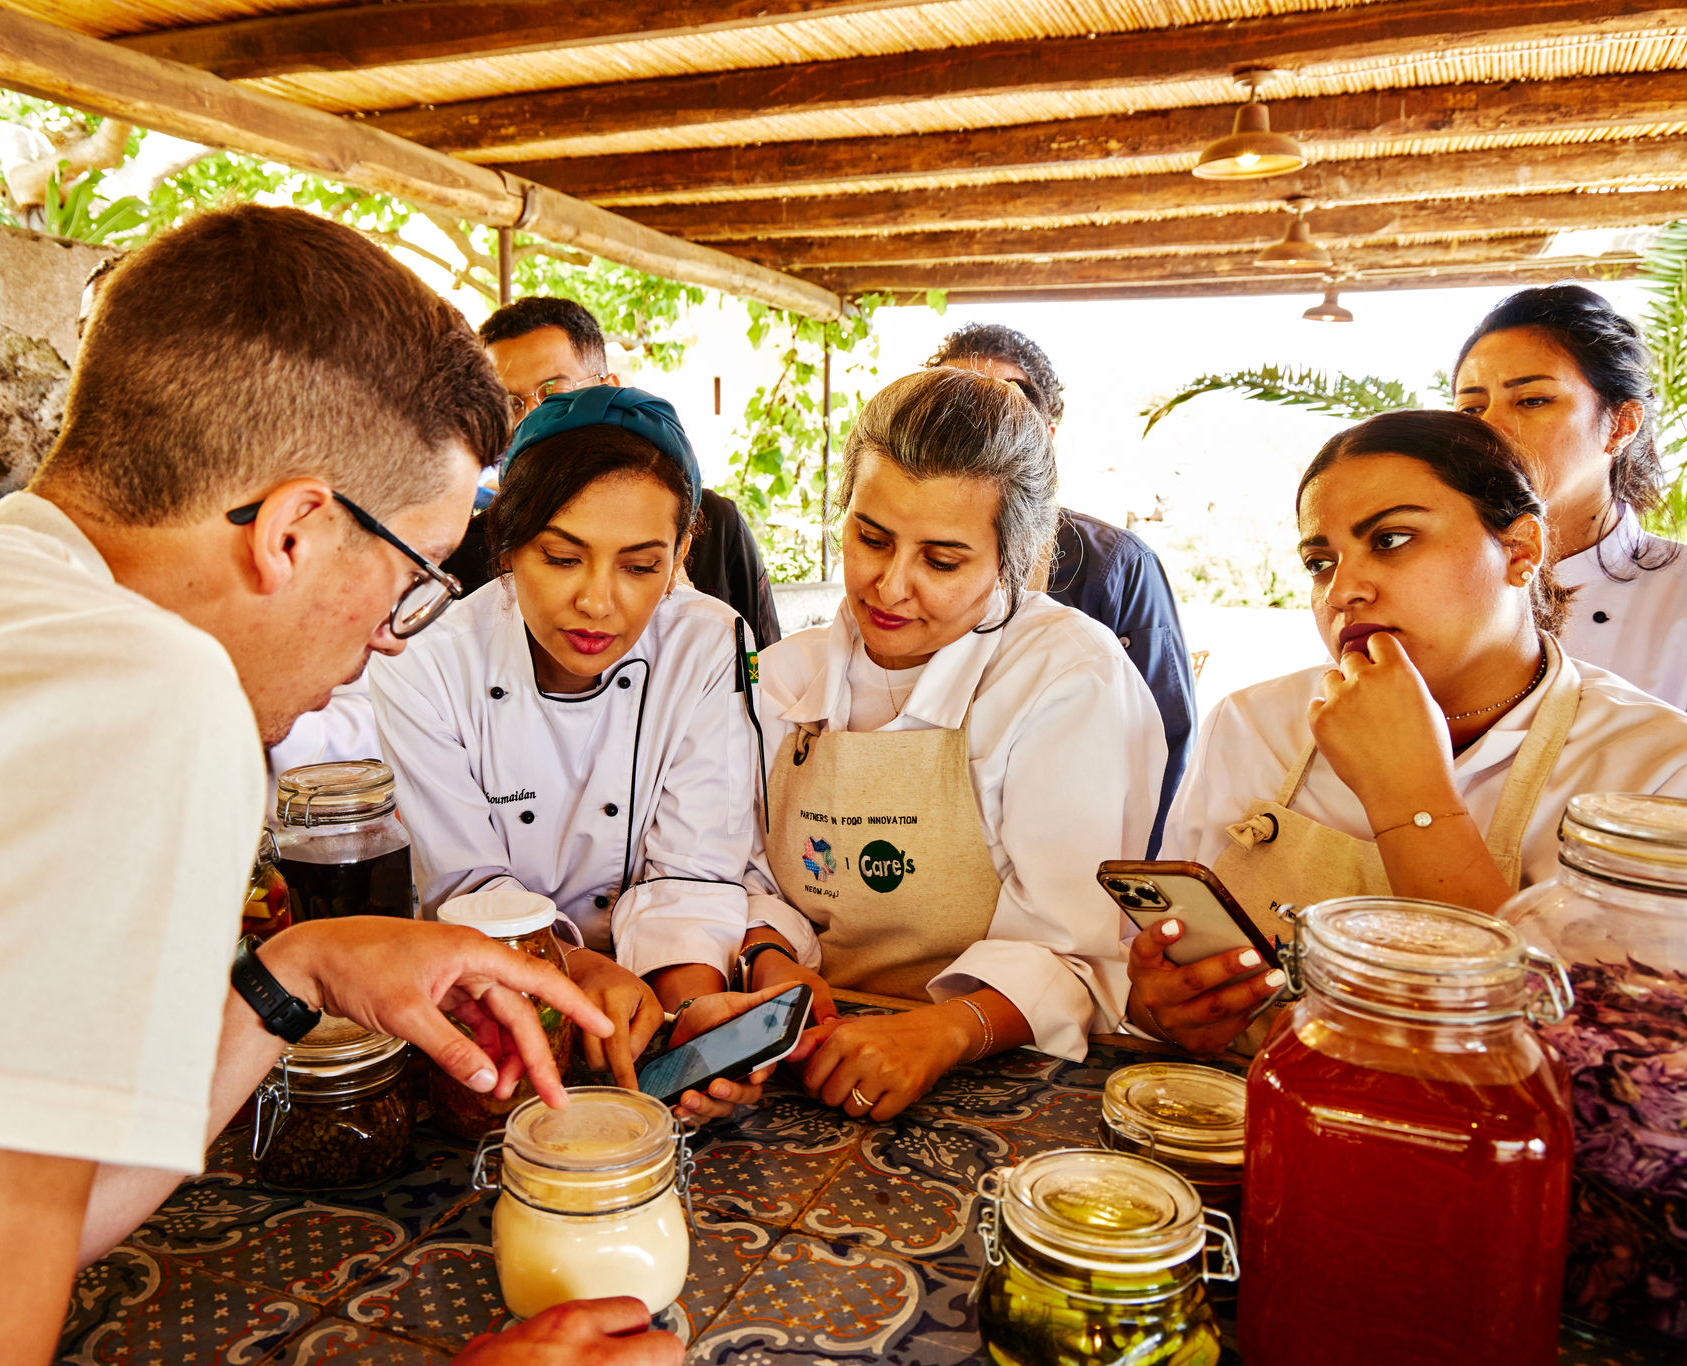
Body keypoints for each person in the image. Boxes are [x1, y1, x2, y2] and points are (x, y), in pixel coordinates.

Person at [0, 205, 682, 1366]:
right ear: (295, 529)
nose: (394, 640)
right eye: (409, 576)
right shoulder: (125, 683)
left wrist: (290, 975)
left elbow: (7, 1208)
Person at [1129, 410, 1687, 1056]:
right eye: (1320, 563)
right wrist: (1165, 1005)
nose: (1342, 591)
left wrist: (1409, 795)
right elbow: (1164, 979)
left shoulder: (1666, 777)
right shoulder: (1253, 725)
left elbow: (1600, 1071)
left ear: (1520, 551)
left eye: (1391, 540)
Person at [739, 368, 1165, 1119]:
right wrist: (776, 966)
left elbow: (1077, 945)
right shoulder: (782, 677)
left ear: (1011, 560)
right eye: (871, 538)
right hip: (814, 1045)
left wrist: (944, 1031)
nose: (889, 585)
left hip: (1006, 1063)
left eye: (941, 561)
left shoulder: (1068, 678)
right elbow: (739, 874)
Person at [369, 386, 788, 1118]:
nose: (599, 602)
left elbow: (694, 868)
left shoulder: (707, 643)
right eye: (563, 557)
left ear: (683, 552)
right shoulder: (427, 660)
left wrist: (691, 1011)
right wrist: (577, 967)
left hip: (649, 1005)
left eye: (640, 566)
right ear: (508, 541)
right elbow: (461, 883)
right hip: (489, 1013)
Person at [927, 323, 1196, 856]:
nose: (972, 426)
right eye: (950, 404)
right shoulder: (891, 566)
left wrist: (1138, 884)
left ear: (1045, 435)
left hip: (1074, 852)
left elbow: (1165, 735)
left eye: (1002, 405)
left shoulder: (1117, 565)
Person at [445, 296, 784, 649]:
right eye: (510, 403)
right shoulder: (468, 548)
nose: (529, 418)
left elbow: (766, 670)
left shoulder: (715, 524)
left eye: (554, 393)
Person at [1455, 284, 1687, 721]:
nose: (1492, 428)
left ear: (1621, 424)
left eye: (1532, 400)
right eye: (1471, 410)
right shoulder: (1431, 577)